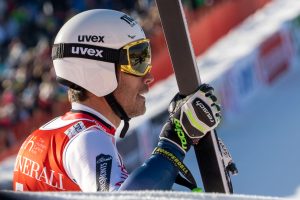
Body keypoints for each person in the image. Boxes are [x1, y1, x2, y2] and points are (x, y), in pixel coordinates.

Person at [12, 9, 221, 192]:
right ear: (96, 72)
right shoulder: (88, 140)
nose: (149, 76)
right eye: (137, 60)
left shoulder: (41, 138)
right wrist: (177, 140)